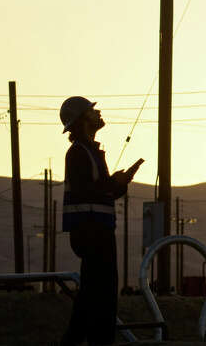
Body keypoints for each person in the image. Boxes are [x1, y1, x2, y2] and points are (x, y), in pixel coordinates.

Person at [58, 96, 139, 346]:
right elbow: (87, 190)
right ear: (82, 119)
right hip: (90, 232)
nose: (98, 113)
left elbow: (101, 192)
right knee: (102, 298)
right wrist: (112, 183)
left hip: (98, 231)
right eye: (92, 111)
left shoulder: (91, 152)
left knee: (90, 298)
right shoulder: (78, 154)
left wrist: (119, 185)